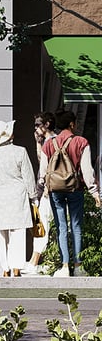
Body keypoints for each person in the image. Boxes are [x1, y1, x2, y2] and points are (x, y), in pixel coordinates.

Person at [38, 109, 102, 278]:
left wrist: (42, 189)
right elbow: (87, 171)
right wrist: (94, 192)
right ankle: (79, 266)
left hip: (55, 191)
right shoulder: (81, 142)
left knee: (61, 227)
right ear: (72, 124)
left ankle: (65, 266)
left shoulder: (48, 145)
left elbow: (42, 172)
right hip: (76, 189)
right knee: (76, 226)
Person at [0, 120, 37, 277]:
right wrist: (33, 197)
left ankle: (5, 267)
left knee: (0, 233)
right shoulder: (20, 151)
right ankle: (16, 267)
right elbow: (29, 177)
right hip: (18, 196)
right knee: (17, 232)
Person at [22, 111, 57, 274]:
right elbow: (41, 162)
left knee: (41, 225)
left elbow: (48, 167)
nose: (35, 127)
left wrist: (46, 190)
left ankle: (34, 262)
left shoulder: (53, 142)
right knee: (43, 225)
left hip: (47, 191)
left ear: (47, 124)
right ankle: (41, 261)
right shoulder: (48, 141)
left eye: (38, 124)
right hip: (45, 190)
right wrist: (37, 142)